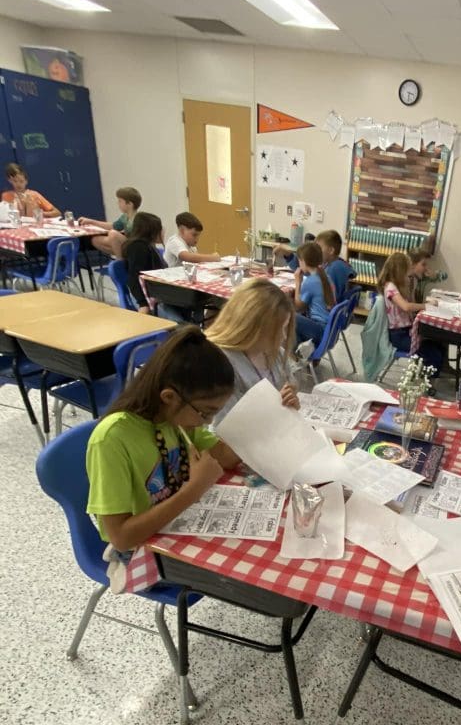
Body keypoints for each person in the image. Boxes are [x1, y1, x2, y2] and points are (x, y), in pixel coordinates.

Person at [86, 326, 240, 554]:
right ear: (169, 397)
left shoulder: (176, 418)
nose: (207, 422)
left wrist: (277, 414)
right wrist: (194, 489)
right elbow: (121, 538)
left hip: (175, 526)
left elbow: (227, 458)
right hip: (142, 550)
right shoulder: (112, 438)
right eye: (205, 413)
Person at [206, 279, 300, 424]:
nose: (283, 336)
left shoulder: (275, 352)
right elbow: (224, 427)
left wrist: (291, 399)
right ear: (251, 327)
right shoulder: (219, 363)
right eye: (277, 330)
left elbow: (290, 384)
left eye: (285, 327)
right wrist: (273, 410)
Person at [378, 251, 443, 374]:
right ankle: (427, 381)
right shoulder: (390, 287)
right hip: (398, 335)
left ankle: (429, 376)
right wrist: (426, 306)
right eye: (406, 270)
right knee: (433, 353)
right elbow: (406, 307)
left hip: (406, 330)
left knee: (438, 344)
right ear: (399, 271)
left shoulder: (398, 285)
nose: (409, 273)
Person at [293, 240, 335, 352]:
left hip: (320, 331)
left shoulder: (311, 281)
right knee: (294, 322)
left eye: (299, 260)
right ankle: (302, 354)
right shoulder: (326, 275)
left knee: (288, 316)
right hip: (329, 331)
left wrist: (298, 283)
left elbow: (298, 306)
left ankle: (298, 355)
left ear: (303, 261)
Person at [79, 186, 142, 259]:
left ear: (130, 204)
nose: (118, 204)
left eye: (120, 201)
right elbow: (113, 226)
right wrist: (91, 221)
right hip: (126, 244)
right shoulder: (124, 217)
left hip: (135, 245)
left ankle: (120, 260)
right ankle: (124, 257)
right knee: (95, 240)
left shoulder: (139, 218)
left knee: (113, 234)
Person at [122, 211, 166, 314]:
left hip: (156, 292)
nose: (162, 231)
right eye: (159, 228)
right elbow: (134, 277)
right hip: (146, 298)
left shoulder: (149, 246)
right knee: (177, 318)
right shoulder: (138, 247)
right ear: (151, 231)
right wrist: (143, 303)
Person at [316, 229, 356, 299]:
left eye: (319, 248)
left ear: (331, 250)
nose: (316, 251)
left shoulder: (334, 268)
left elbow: (330, 297)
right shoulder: (335, 263)